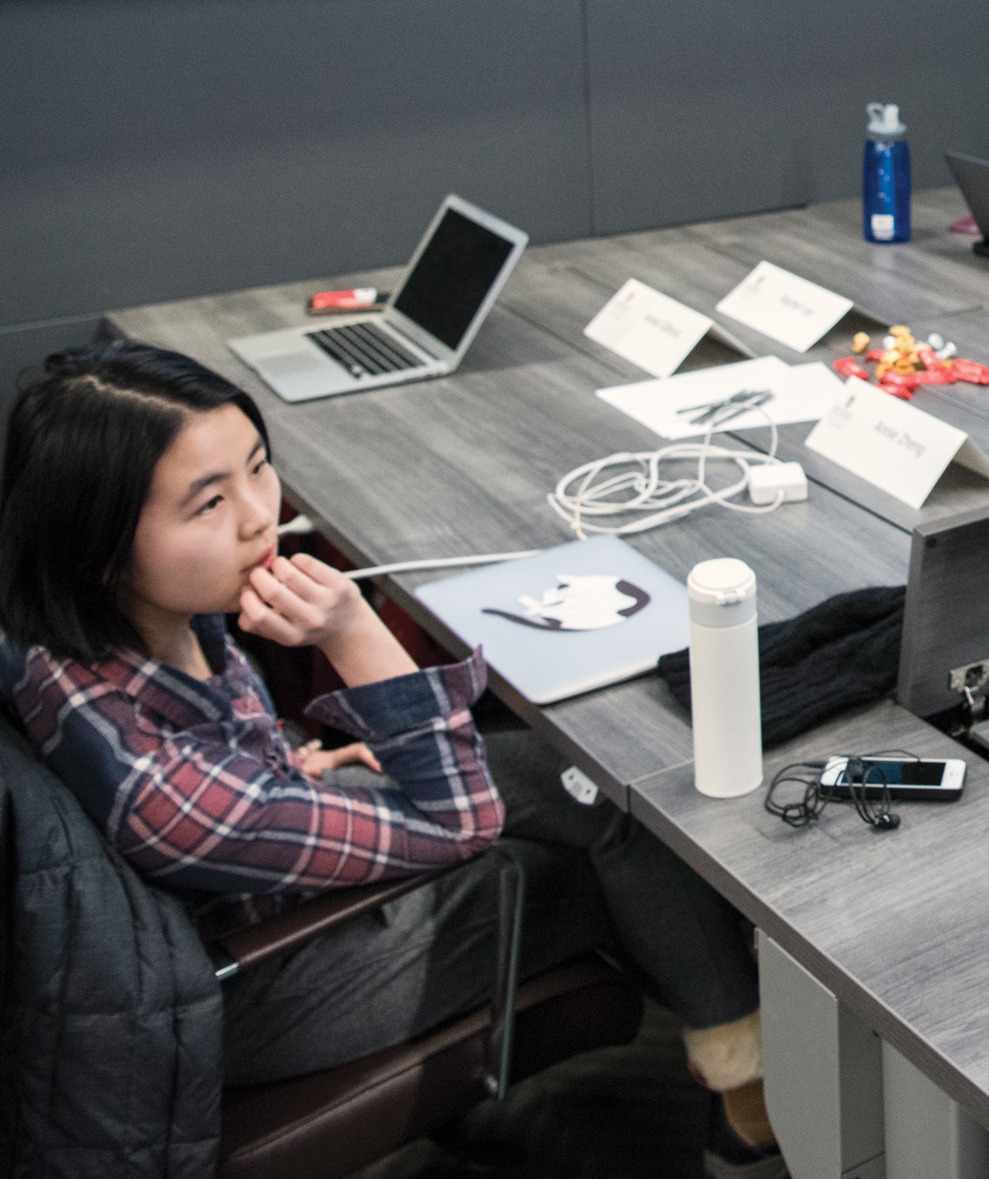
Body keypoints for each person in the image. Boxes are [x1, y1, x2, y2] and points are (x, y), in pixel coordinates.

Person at [0, 343, 784, 1177]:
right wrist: (351, 631)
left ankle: (736, 1050)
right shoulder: (164, 790)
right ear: (97, 543)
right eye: (207, 504)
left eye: (258, 468)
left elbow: (229, 769)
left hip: (253, 856)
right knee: (616, 836)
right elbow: (463, 820)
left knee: (580, 787)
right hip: (273, 977)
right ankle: (753, 1099)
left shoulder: (96, 632)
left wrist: (293, 765)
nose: (259, 516)